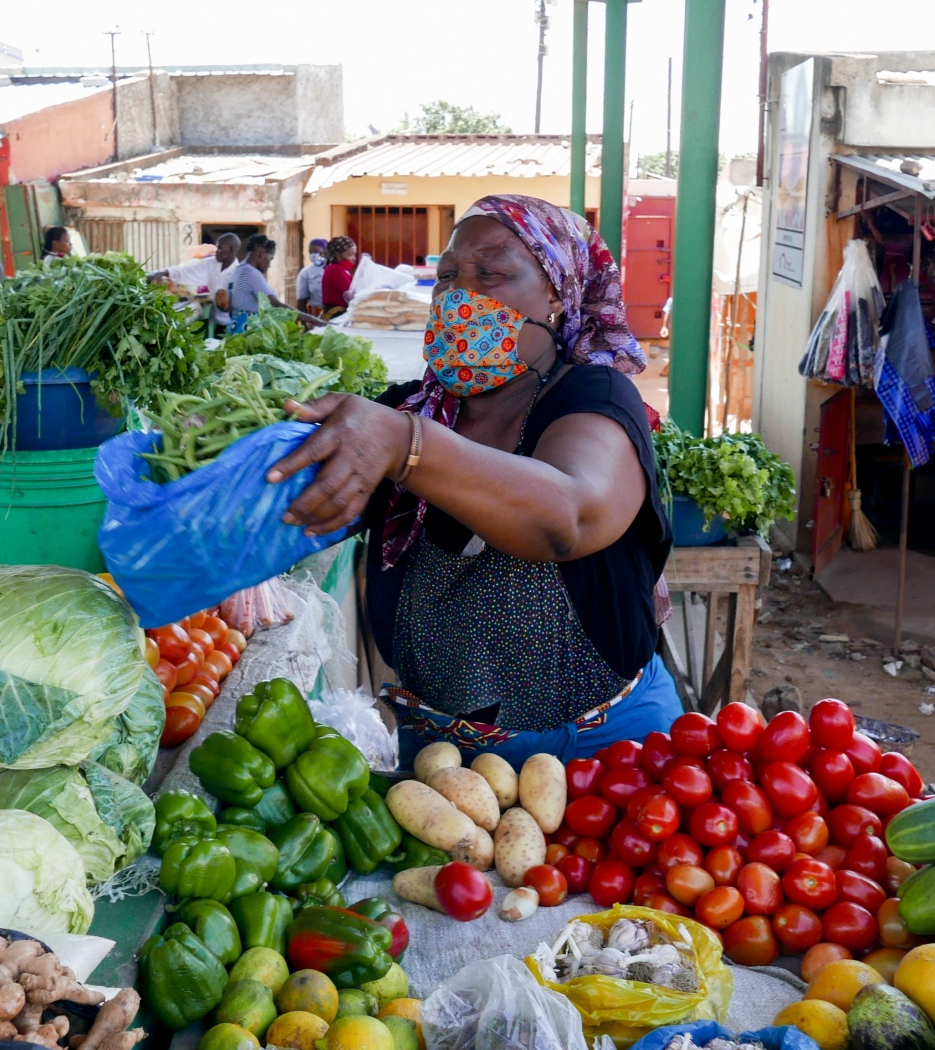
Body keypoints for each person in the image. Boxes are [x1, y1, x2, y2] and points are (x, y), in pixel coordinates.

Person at [267, 194, 679, 768]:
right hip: (443, 765)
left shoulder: (595, 397)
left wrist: (407, 446)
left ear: (558, 294)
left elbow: (570, 515)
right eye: (448, 276)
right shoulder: (413, 408)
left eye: (492, 273)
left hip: (602, 759)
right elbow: (289, 491)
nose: (461, 295)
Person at [229, 235, 324, 332]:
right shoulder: (251, 273)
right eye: (270, 258)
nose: (269, 265)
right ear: (261, 254)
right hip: (249, 328)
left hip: (236, 326)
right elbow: (275, 304)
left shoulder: (239, 269)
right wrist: (314, 320)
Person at [320, 236, 358, 318]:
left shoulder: (343, 270)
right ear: (338, 255)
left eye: (355, 254)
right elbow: (349, 293)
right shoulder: (335, 270)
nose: (354, 258)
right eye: (350, 255)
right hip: (337, 314)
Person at [295, 238, 329, 315]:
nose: (313, 255)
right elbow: (301, 301)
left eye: (316, 251)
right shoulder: (306, 272)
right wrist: (305, 323)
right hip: (315, 313)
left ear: (325, 252)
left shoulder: (333, 269)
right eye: (310, 252)